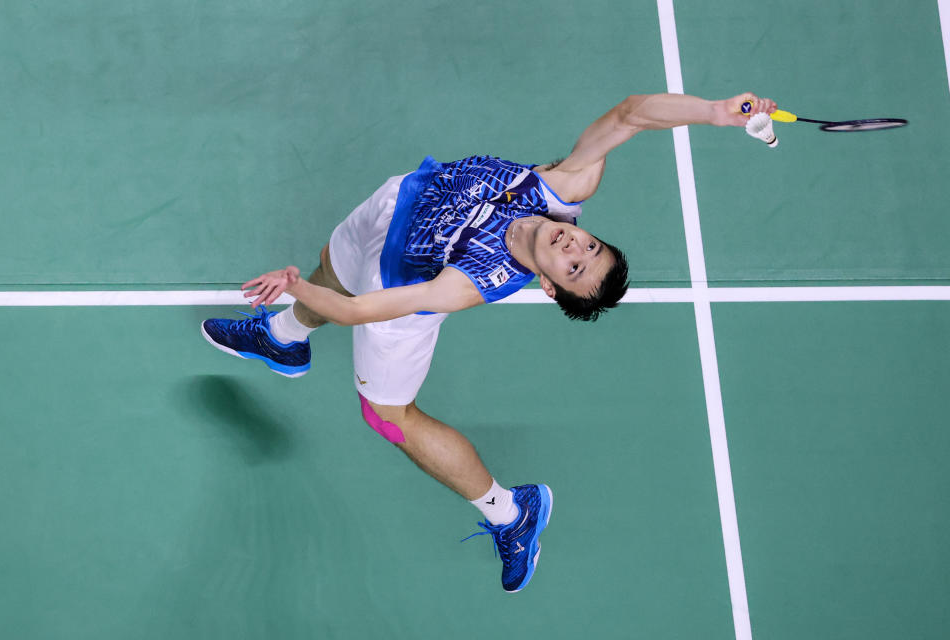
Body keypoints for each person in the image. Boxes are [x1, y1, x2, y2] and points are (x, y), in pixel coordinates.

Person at [201, 91, 777, 592]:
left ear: (549, 287)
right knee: (334, 262)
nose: (573, 249)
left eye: (573, 268)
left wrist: (293, 283)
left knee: (387, 415)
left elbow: (360, 310)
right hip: (401, 201)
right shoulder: (559, 187)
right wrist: (714, 112)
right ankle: (284, 336)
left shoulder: (475, 279)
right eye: (589, 248)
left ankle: (510, 513)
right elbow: (631, 115)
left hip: (399, 290)